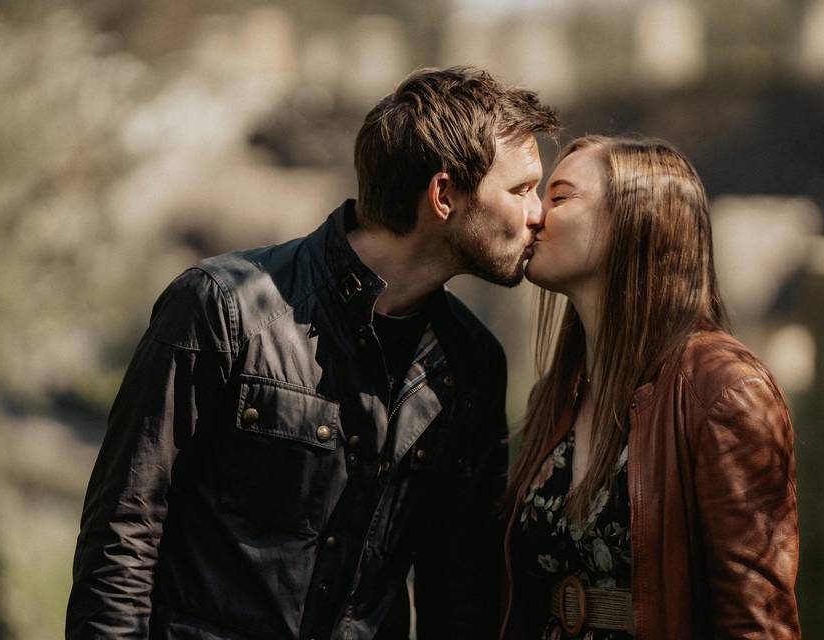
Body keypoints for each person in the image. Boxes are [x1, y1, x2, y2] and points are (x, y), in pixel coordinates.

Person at [67, 66, 559, 639]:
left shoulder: (473, 364)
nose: (538, 213)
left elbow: (461, 596)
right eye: (521, 189)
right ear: (444, 196)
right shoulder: (221, 307)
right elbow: (124, 529)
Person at [502, 135, 800, 639]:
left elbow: (757, 623)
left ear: (634, 221)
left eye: (558, 197)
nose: (533, 216)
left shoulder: (724, 391)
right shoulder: (558, 394)